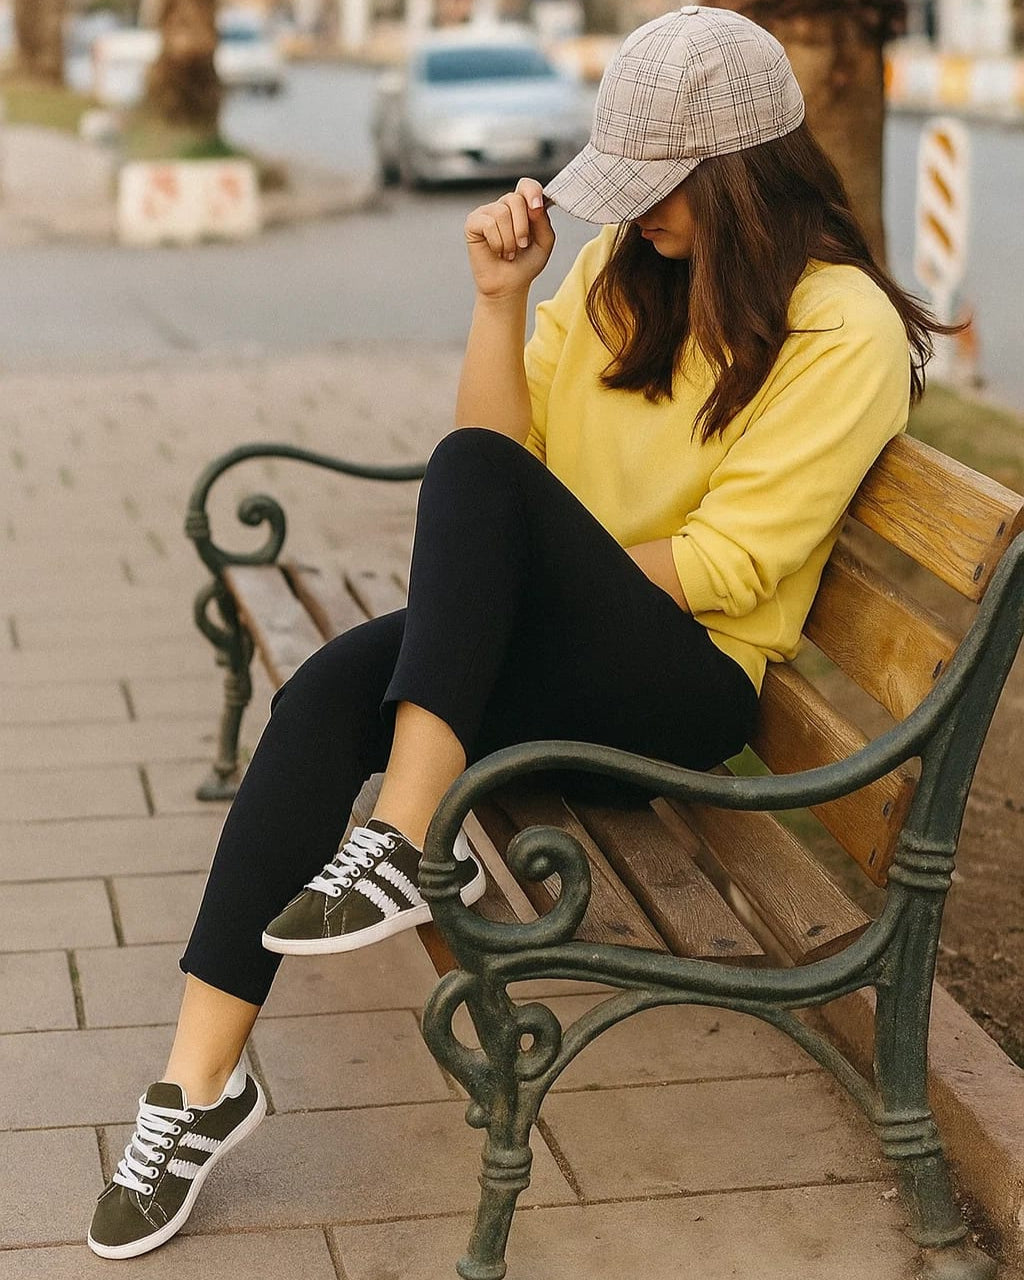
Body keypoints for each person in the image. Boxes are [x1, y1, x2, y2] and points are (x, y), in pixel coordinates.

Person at [87, 5, 949, 1260]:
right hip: (563, 642)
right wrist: (502, 302)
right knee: (330, 685)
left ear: (742, 175)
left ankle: (398, 839)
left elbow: (729, 563)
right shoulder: (612, 275)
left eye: (660, 185)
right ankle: (195, 1086)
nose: (634, 211)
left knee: (474, 491)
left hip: (684, 686)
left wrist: (504, 599)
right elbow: (501, 454)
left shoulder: (841, 327)